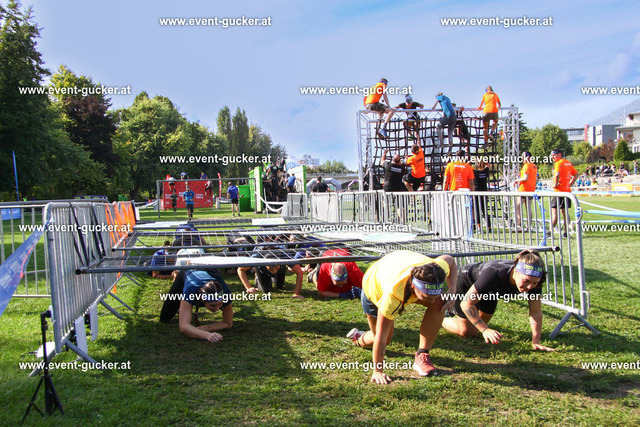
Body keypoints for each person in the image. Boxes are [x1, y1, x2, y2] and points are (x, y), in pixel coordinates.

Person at [346, 251, 458, 383]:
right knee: (384, 337)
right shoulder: (392, 295)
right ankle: (359, 338)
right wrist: (378, 371)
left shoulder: (436, 268)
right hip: (373, 284)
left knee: (441, 301)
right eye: (427, 297)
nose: (432, 301)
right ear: (413, 286)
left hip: (397, 264)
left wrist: (452, 291)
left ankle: (422, 354)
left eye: (434, 295)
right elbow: (381, 338)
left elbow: (450, 260)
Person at [442, 250, 555, 352]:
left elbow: (535, 312)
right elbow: (466, 304)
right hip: (466, 282)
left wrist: (536, 341)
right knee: (469, 332)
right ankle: (441, 318)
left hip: (491, 291)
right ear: (516, 271)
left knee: (477, 325)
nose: (530, 287)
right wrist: (485, 330)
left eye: (534, 283)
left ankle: (462, 318)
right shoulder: (494, 274)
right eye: (526, 281)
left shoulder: (534, 281)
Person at [160, 269, 233, 342]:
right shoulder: (191, 290)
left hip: (211, 270)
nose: (217, 309)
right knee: (165, 317)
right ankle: (182, 306)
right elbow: (183, 327)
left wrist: (203, 328)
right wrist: (207, 335)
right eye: (213, 305)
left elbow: (228, 323)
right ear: (202, 300)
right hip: (188, 270)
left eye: (220, 304)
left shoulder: (225, 293)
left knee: (225, 305)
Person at [550, 149, 578, 236]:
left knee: (554, 212)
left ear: (559, 154)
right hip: (567, 191)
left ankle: (550, 232)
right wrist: (570, 184)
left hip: (559, 191)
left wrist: (555, 184)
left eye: (554, 155)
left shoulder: (558, 163)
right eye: (552, 156)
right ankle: (566, 232)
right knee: (565, 212)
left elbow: (557, 174)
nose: (552, 157)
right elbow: (576, 174)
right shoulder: (568, 163)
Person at [513, 151, 537, 231]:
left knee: (518, 207)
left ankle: (519, 225)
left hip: (524, 189)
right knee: (528, 208)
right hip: (531, 189)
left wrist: (517, 180)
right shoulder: (534, 165)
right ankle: (529, 226)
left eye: (523, 157)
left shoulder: (526, 165)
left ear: (527, 157)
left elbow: (525, 178)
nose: (522, 159)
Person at [472, 160, 492, 231]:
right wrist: (485, 163)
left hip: (477, 192)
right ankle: (489, 227)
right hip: (484, 192)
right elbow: (488, 166)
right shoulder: (485, 171)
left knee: (477, 210)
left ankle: (479, 227)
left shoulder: (475, 172)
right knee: (484, 210)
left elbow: (469, 167)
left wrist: (470, 163)